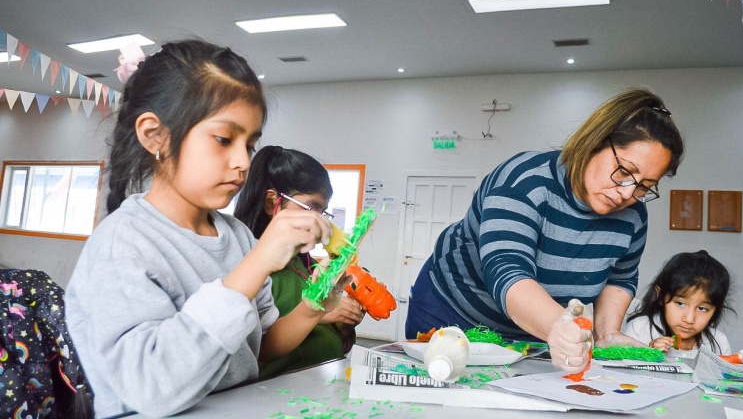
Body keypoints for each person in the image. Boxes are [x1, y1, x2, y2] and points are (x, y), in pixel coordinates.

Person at [65, 40, 345, 418]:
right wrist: (257, 263)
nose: (243, 161)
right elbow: (151, 388)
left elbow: (257, 349)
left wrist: (312, 308)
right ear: (155, 135)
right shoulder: (123, 243)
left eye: (250, 143)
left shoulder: (237, 237)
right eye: (224, 139)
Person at [405, 88, 685, 375]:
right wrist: (559, 326)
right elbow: (507, 270)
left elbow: (620, 277)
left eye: (644, 186)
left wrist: (607, 334)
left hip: (535, 327)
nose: (627, 193)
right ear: (595, 142)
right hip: (451, 310)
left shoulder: (634, 216)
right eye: (624, 171)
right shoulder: (524, 182)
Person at [233, 145, 366, 379]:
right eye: (312, 207)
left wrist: (341, 327)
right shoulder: (246, 266)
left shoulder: (302, 261)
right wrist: (320, 316)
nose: (322, 222)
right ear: (271, 202)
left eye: (324, 211)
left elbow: (316, 322)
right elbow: (256, 345)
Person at [622, 250, 743, 365]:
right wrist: (646, 355)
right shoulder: (640, 330)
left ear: (716, 309)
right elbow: (621, 377)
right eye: (680, 304)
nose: (689, 319)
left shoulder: (719, 342)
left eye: (702, 308)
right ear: (661, 295)